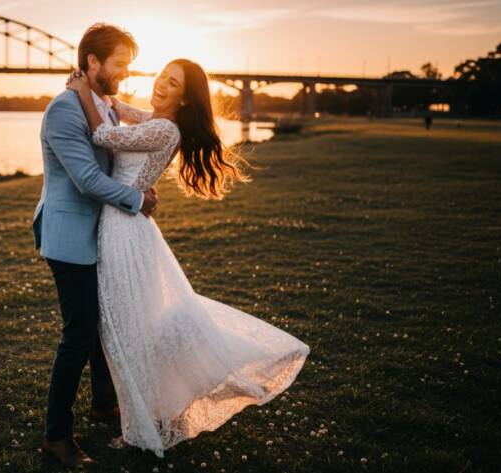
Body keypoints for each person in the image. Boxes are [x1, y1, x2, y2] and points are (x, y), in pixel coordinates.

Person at [65, 57, 311, 458]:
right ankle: (146, 413)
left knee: (127, 331)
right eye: (162, 76)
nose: (162, 84)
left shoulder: (165, 128)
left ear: (184, 98)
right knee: (122, 329)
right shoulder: (153, 119)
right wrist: (94, 87)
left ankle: (140, 428)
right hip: (120, 226)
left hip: (125, 233)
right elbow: (118, 112)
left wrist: (80, 94)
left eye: (173, 83)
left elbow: (103, 136)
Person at [31, 23, 158, 467]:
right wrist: (138, 200)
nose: (125, 72)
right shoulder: (64, 110)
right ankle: (56, 436)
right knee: (79, 335)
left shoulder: (101, 103)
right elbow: (86, 180)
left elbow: (129, 121)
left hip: (97, 234)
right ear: (92, 62)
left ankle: (104, 402)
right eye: (120, 63)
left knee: (103, 324)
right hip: (68, 239)